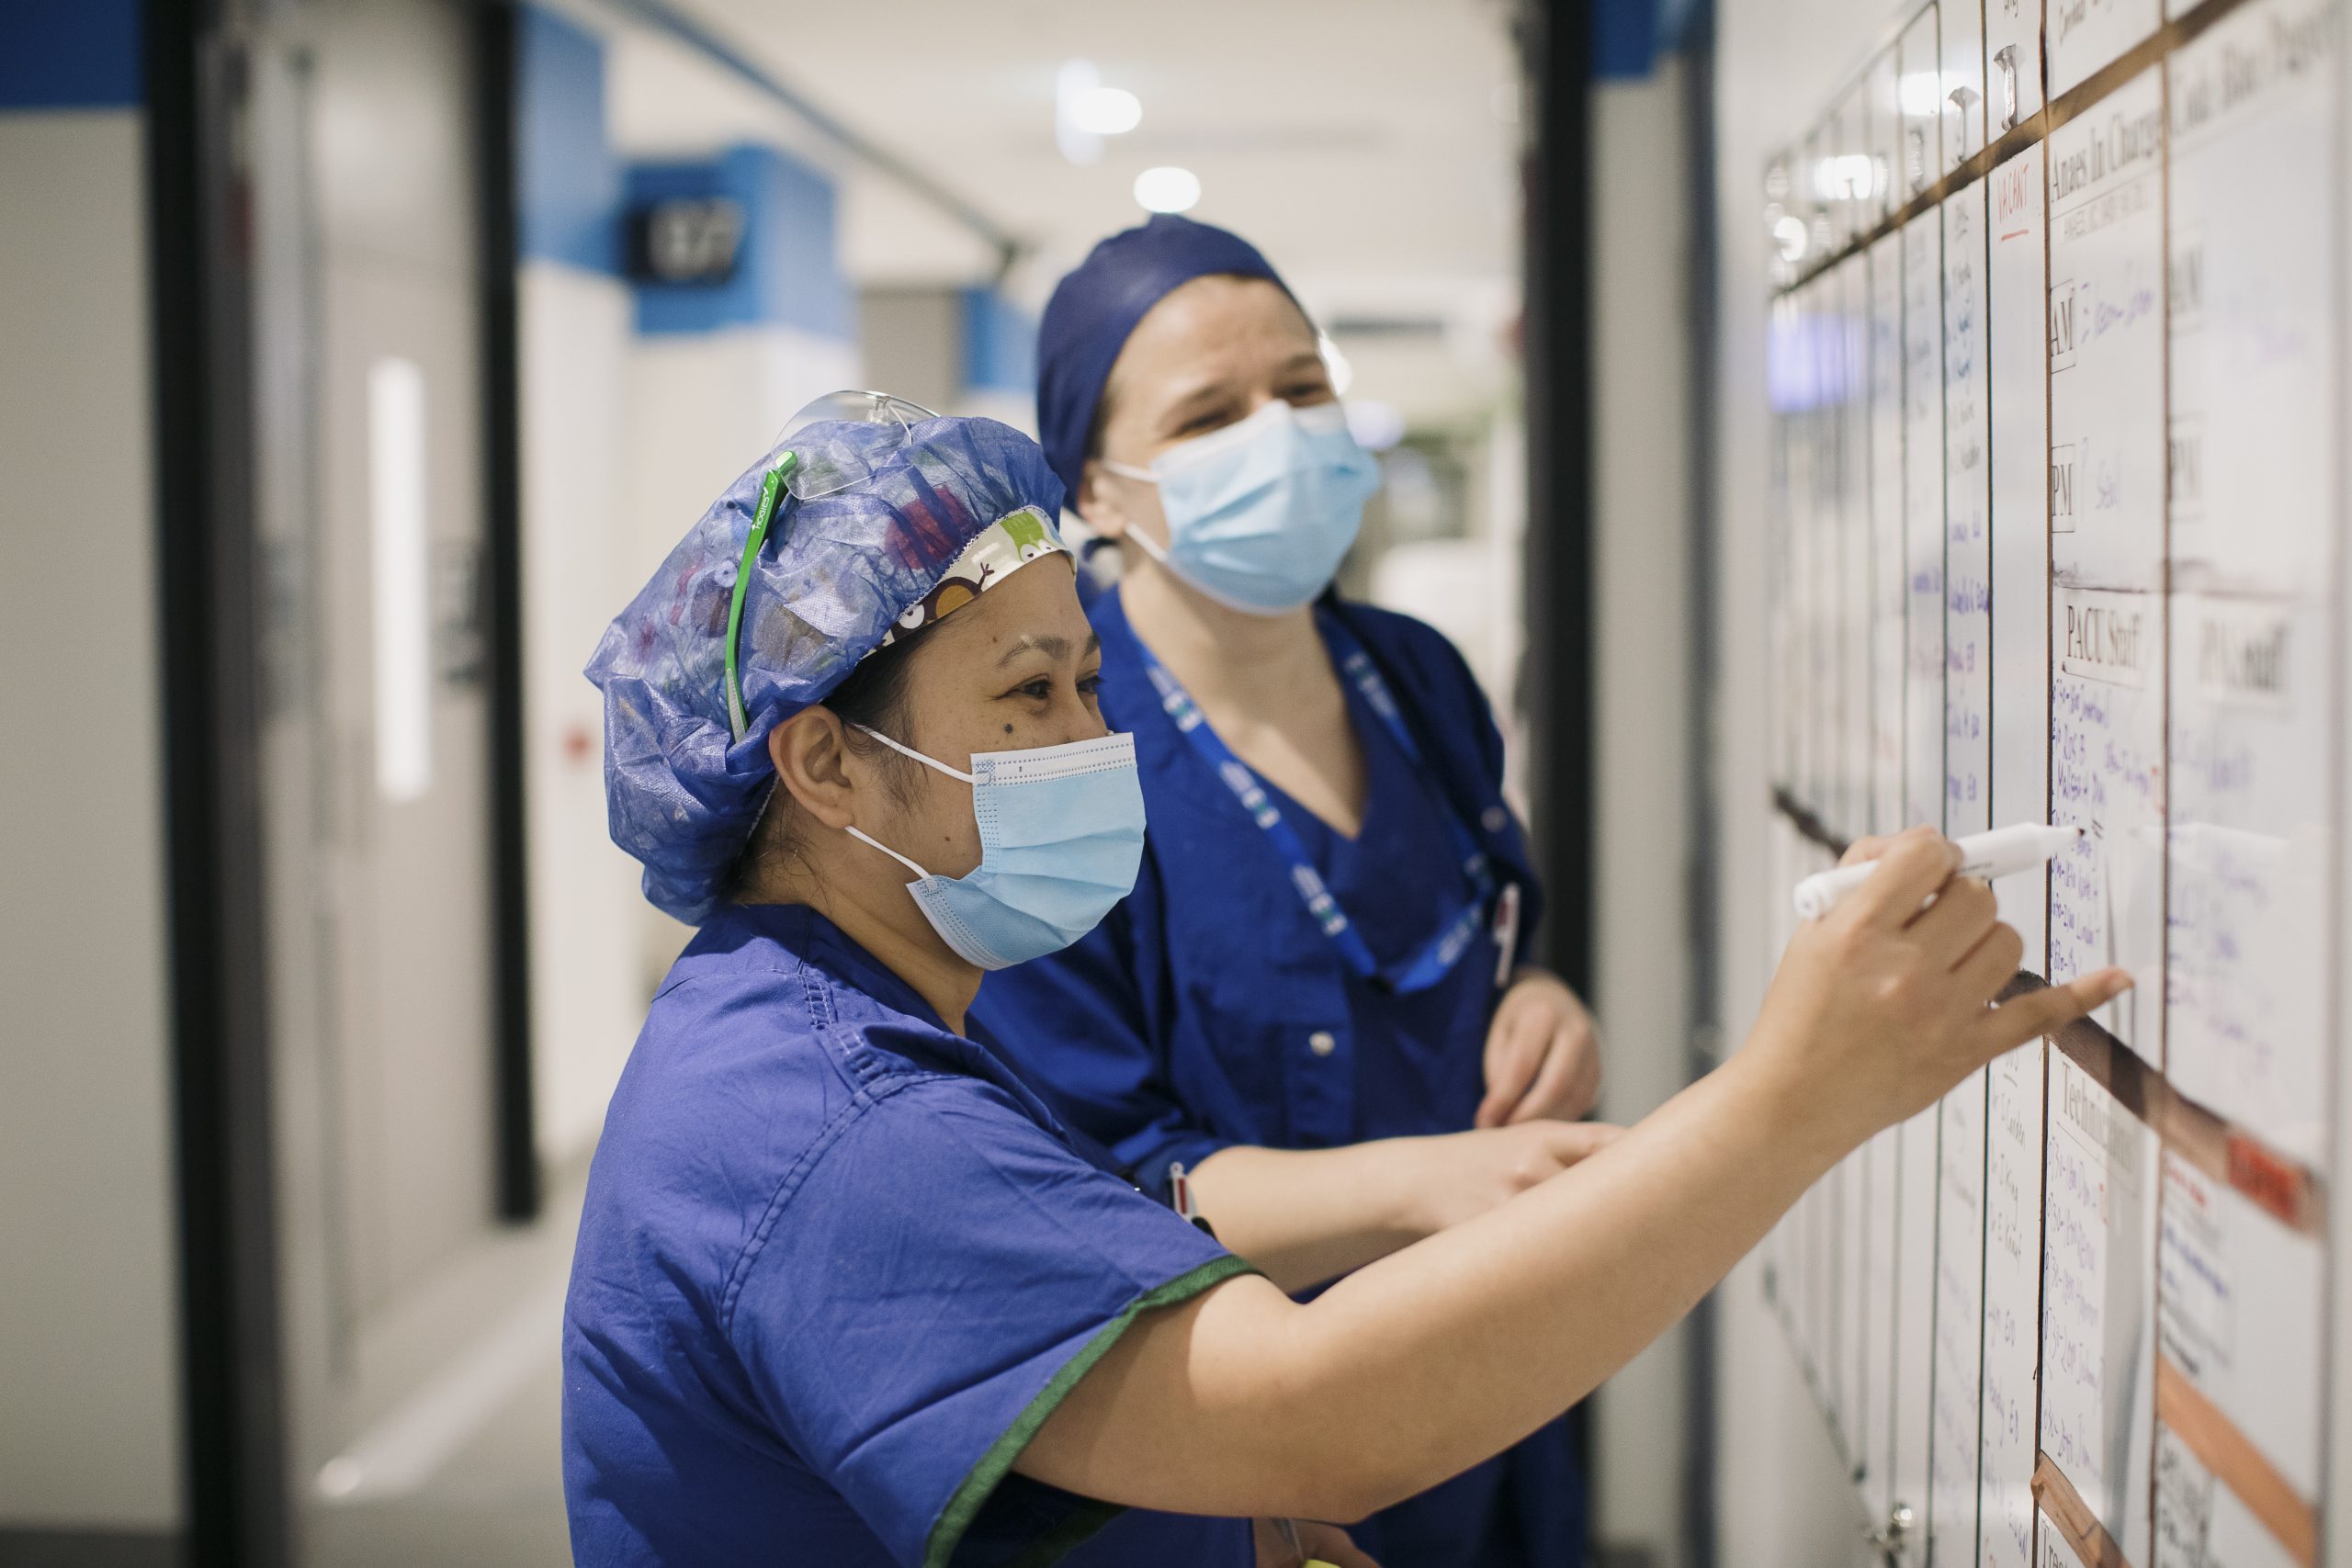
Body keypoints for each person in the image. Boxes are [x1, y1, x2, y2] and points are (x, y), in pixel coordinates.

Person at [561, 393, 2128, 1568]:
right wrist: (1792, 1100)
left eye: (1091, 684)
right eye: (1029, 695)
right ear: (826, 761)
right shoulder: (832, 1121)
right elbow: (1317, 1419)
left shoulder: (819, 1017)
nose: (1094, 744)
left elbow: (1065, 1297)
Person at [967, 213, 1601, 1564]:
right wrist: (1425, 1185)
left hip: (1501, 1363)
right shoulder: (1056, 759)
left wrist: (1542, 994)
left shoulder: (1417, 677)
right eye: (1210, 414)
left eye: (1302, 390)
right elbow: (1107, 1181)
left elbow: (1494, 925)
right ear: (1097, 489)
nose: (1281, 433)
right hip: (1242, 1440)